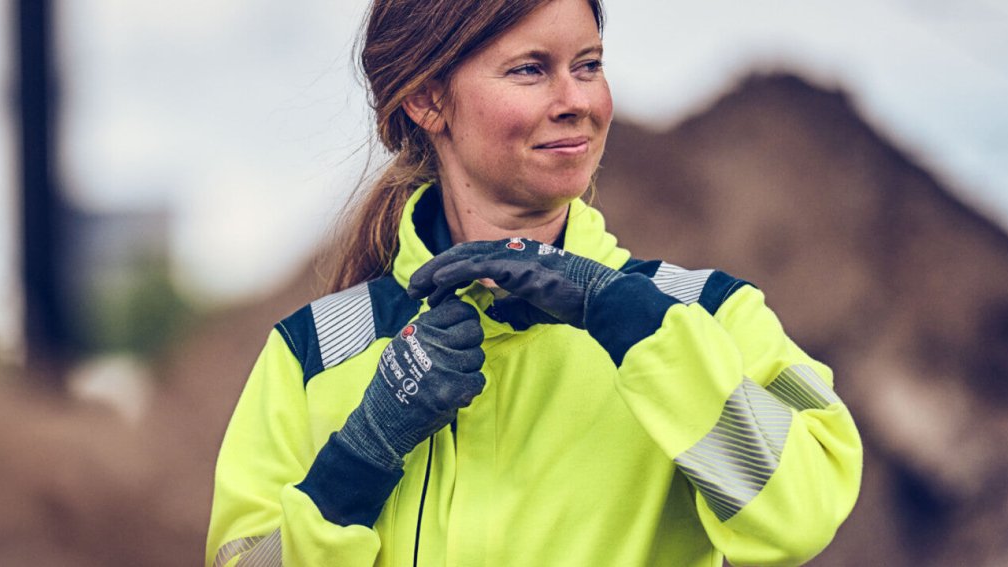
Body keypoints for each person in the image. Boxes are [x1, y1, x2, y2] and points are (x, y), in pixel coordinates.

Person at [204, 0, 862, 565]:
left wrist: (638, 326)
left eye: (589, 64)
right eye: (530, 69)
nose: (576, 100)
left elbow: (803, 514)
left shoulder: (706, 315)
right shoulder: (314, 353)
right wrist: (363, 452)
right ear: (429, 98)